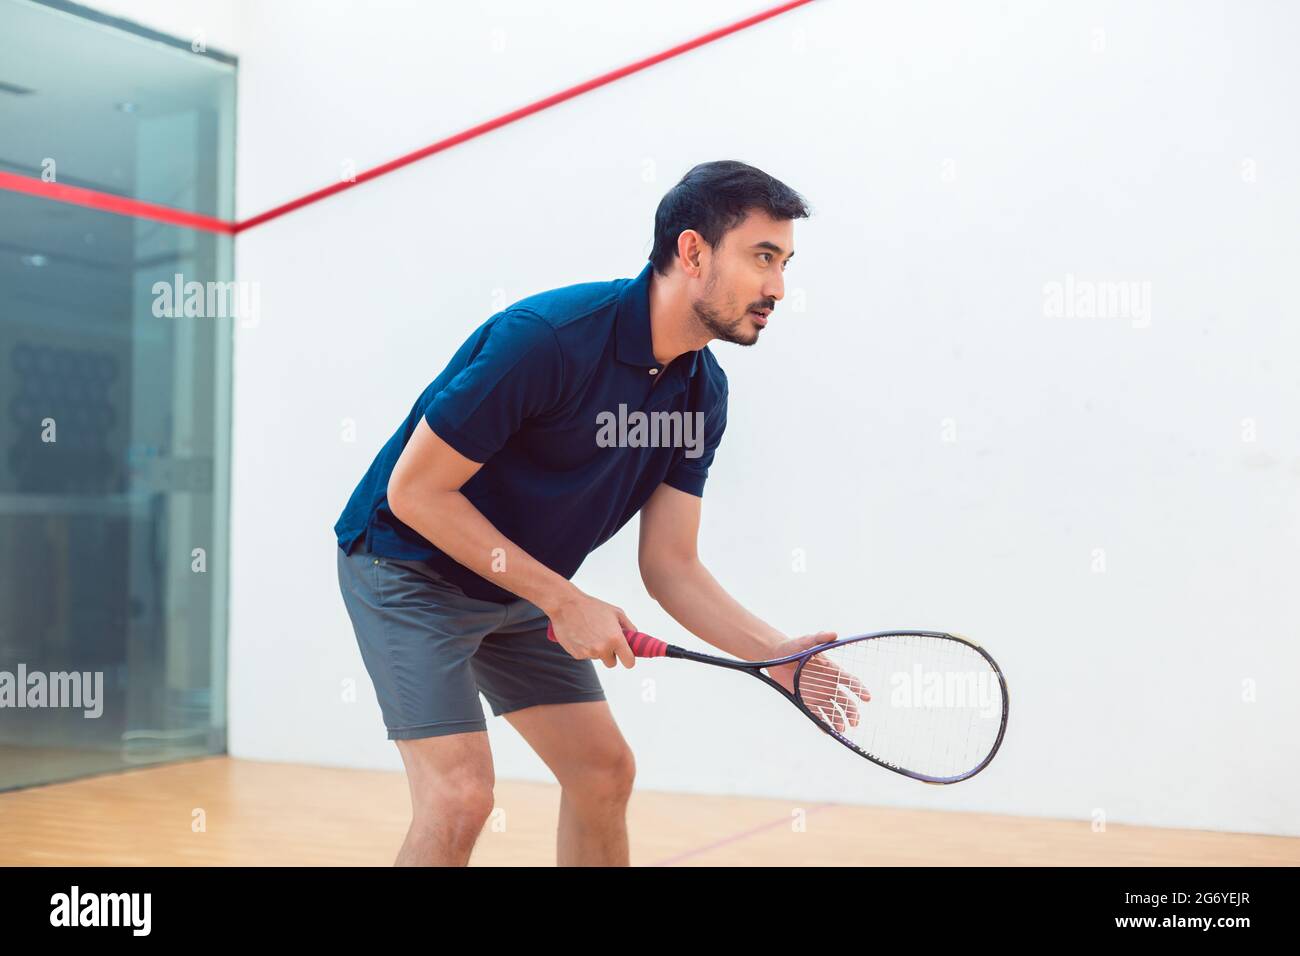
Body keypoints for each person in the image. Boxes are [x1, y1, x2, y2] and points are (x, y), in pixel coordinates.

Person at [334, 159, 833, 866]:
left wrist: (772, 651)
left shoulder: (700, 395)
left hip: (518, 589)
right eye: (762, 258)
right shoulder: (546, 341)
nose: (778, 287)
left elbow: (671, 566)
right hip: (408, 565)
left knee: (603, 773)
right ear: (692, 252)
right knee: (460, 797)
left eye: (784, 263)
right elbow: (414, 494)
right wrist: (561, 599)